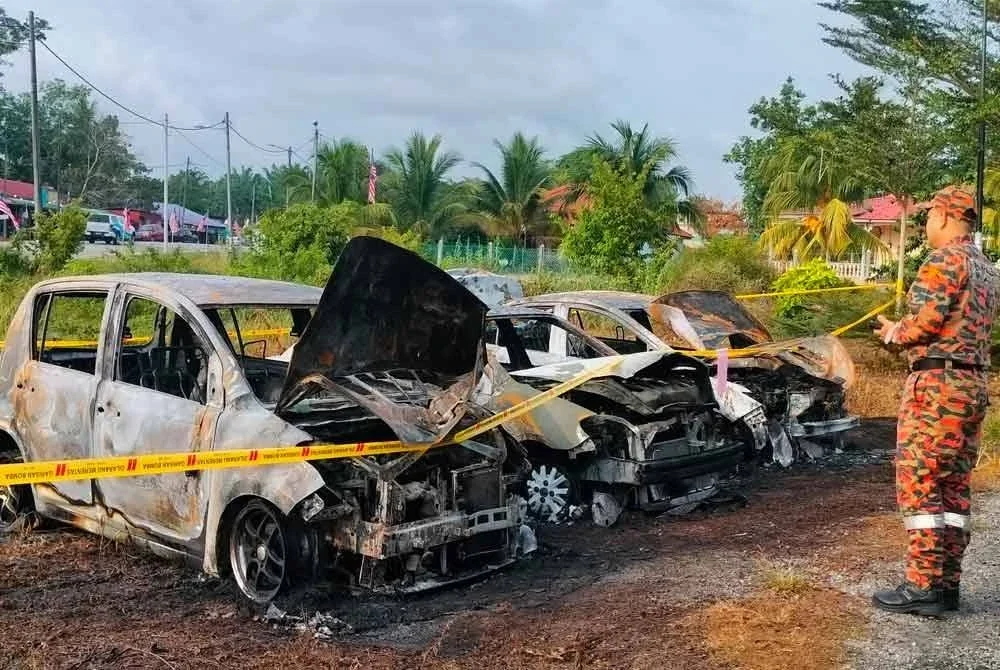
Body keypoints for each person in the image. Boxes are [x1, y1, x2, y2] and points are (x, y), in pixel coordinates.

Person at [872, 185, 1000, 616]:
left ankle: (922, 585)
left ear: (946, 218)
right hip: (973, 386)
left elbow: (924, 326)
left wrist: (893, 332)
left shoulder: (944, 260)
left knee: (921, 482)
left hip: (938, 387)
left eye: (929, 217)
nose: (926, 224)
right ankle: (947, 584)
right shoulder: (986, 267)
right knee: (953, 487)